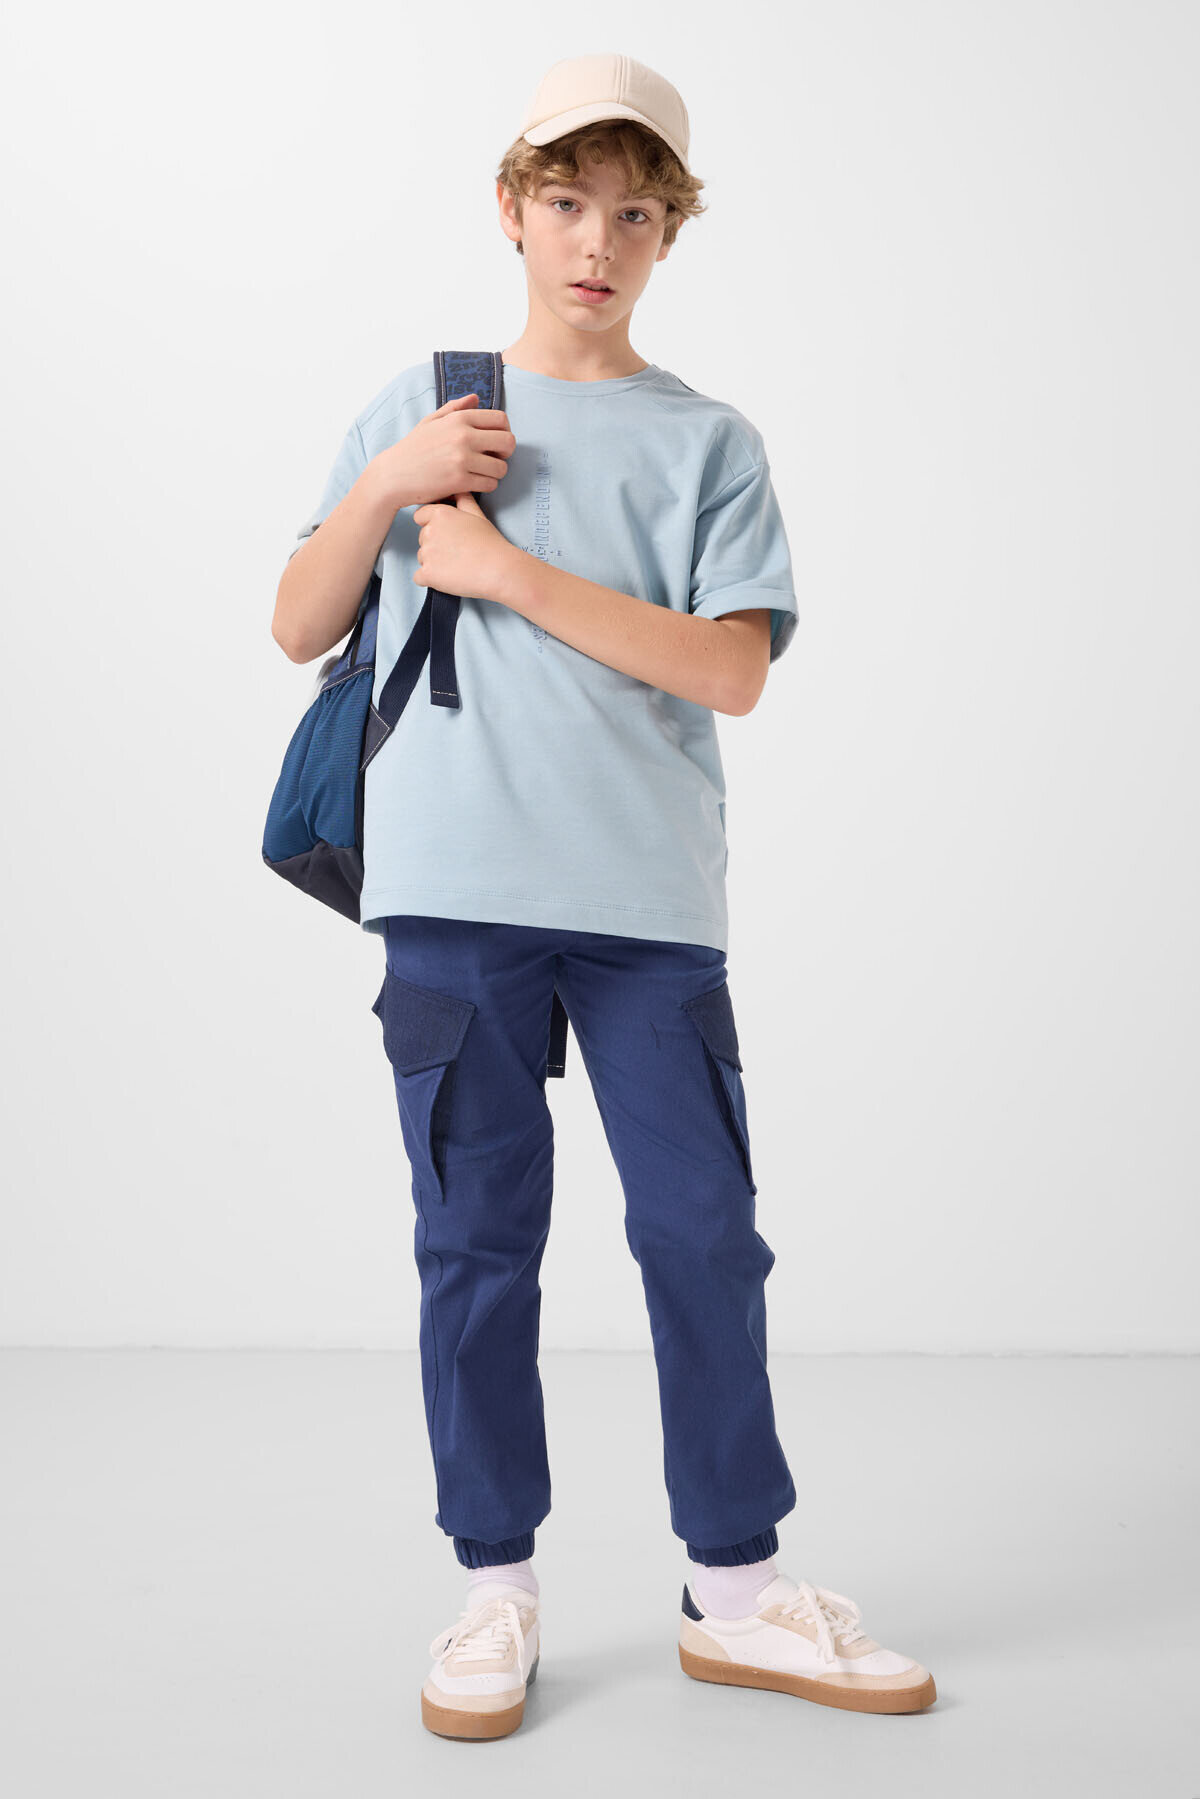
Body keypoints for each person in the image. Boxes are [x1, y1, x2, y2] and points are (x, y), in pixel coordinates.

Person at [272, 51, 937, 1740]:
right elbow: (296, 624)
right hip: (453, 896)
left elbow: (730, 672)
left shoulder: (708, 441)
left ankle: (736, 1593)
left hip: (649, 905)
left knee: (704, 1235)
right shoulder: (423, 405)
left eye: (636, 215)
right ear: (512, 208)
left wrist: (505, 569)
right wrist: (391, 485)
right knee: (475, 1244)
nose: (597, 242)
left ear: (669, 235)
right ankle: (493, 1590)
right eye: (567, 201)